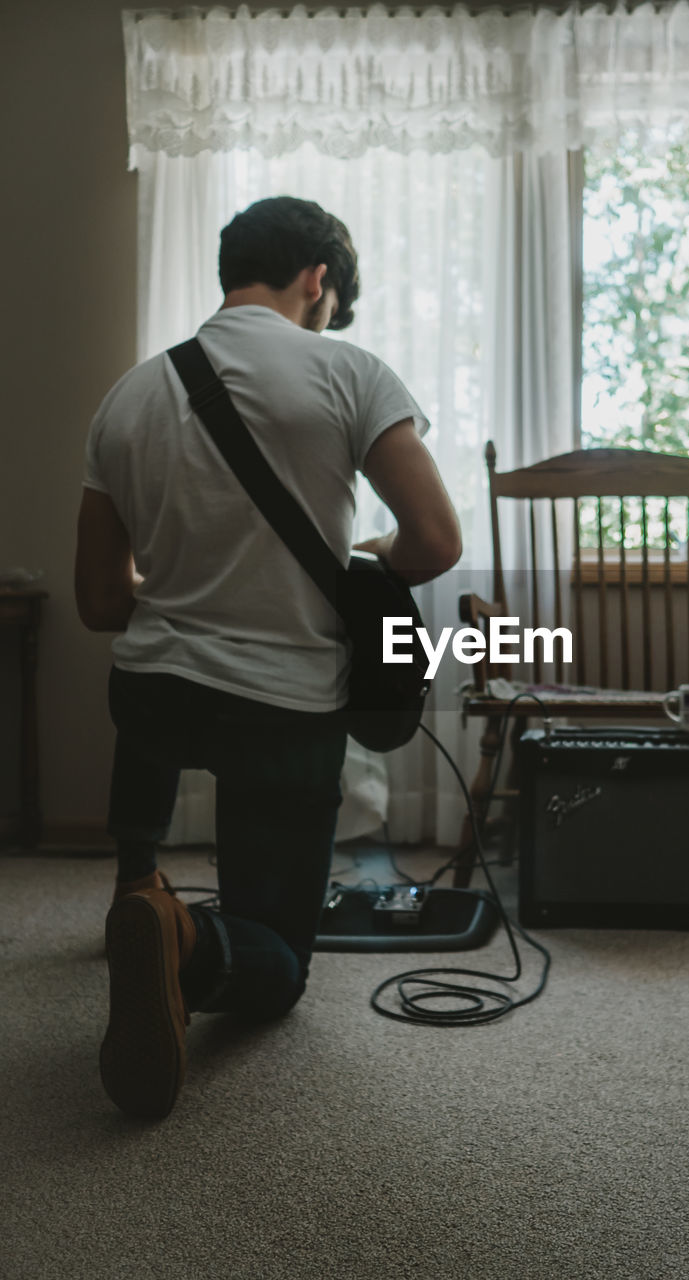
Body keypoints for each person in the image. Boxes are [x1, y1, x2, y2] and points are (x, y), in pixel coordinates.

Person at [75, 195, 462, 1119]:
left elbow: (98, 603)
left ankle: (139, 879)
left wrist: (187, 595)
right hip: (280, 710)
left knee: (154, 678)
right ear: (318, 280)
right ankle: (181, 938)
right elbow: (436, 541)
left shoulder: (128, 396)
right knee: (278, 967)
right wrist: (364, 561)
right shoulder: (346, 372)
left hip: (154, 697)